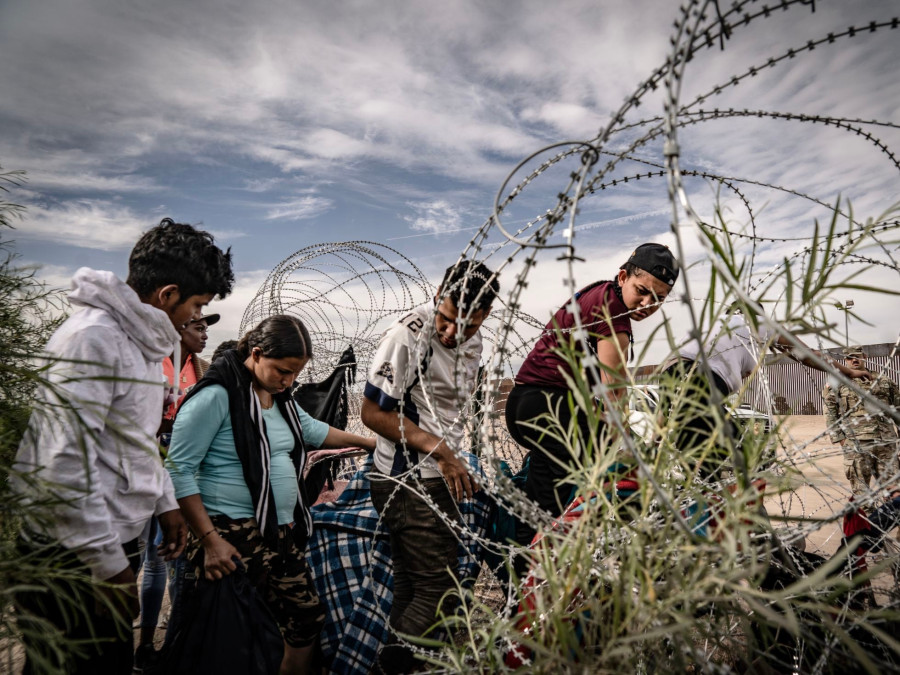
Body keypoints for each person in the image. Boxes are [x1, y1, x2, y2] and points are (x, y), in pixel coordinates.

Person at [12, 218, 234, 675]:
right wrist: (109, 568)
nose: (196, 318)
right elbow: (64, 467)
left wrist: (164, 501)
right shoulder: (93, 339)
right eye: (195, 305)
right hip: (68, 557)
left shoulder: (144, 348)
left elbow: (136, 442)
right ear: (166, 295)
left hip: (107, 541)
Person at [165, 315, 376, 675]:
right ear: (257, 353)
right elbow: (179, 469)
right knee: (229, 631)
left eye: (295, 373)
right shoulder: (218, 396)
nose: (289, 381)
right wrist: (211, 541)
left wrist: (375, 444)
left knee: (306, 616)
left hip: (277, 531)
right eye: (282, 370)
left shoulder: (280, 399)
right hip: (228, 532)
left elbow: (314, 431)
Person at [362, 260, 499, 674]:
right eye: (446, 318)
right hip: (409, 481)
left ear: (486, 316)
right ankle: (396, 667)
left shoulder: (472, 342)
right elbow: (372, 413)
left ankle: (395, 662)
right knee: (441, 592)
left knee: (413, 586)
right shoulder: (407, 336)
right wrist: (439, 450)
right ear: (439, 294)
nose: (453, 333)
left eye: (469, 325)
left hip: (438, 477)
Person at [505, 243, 677, 543]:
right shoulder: (613, 314)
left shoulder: (600, 294)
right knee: (560, 498)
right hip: (546, 404)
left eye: (658, 299)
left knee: (548, 488)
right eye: (642, 290)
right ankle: (531, 568)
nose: (647, 303)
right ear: (623, 276)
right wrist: (626, 445)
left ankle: (523, 553)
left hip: (536, 403)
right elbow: (614, 393)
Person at [663, 312, 870, 478]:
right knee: (743, 457)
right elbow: (807, 355)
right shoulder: (758, 323)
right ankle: (746, 522)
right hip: (700, 382)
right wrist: (849, 372)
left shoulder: (720, 326)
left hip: (670, 377)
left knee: (699, 465)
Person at [134, 311, 219, 669]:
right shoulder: (155, 367)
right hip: (147, 473)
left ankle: (163, 644)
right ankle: (143, 641)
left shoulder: (199, 370)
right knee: (144, 560)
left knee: (167, 559)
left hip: (179, 476)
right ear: (178, 329)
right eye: (198, 327)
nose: (204, 334)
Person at [824, 346, 900, 495]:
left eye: (857, 356)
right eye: (850, 357)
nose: (854, 360)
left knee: (894, 492)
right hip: (856, 443)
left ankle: (890, 518)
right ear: (845, 360)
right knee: (862, 494)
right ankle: (866, 518)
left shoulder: (883, 380)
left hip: (885, 442)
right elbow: (830, 411)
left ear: (864, 356)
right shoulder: (837, 383)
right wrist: (840, 438)